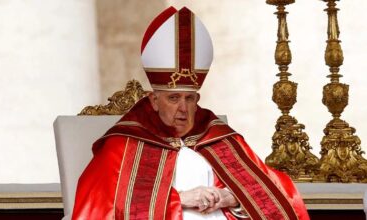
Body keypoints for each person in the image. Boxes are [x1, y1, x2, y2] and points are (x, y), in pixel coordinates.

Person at [72, 6, 309, 220]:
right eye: (173, 98)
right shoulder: (125, 142)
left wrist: (233, 197)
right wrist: (181, 199)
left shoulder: (219, 136)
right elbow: (103, 203)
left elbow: (275, 191)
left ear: (197, 100)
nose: (183, 108)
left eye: (189, 98)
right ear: (154, 100)